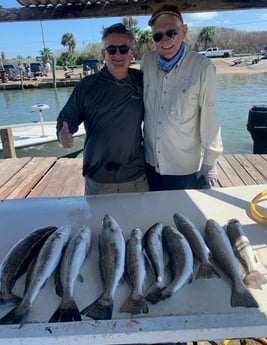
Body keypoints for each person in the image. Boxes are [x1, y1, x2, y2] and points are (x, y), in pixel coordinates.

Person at [57, 23, 148, 195]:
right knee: (98, 223)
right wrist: (64, 135)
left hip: (135, 176)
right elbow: (67, 117)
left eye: (123, 49)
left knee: (141, 222)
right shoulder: (87, 85)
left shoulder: (142, 81)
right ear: (103, 54)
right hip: (98, 178)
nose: (118, 54)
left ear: (131, 53)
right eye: (112, 49)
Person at [141, 4, 223, 191]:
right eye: (157, 35)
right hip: (150, 163)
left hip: (182, 169)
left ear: (184, 31)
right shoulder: (146, 61)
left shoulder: (203, 67)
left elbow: (211, 117)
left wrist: (210, 163)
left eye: (171, 32)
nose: (165, 40)